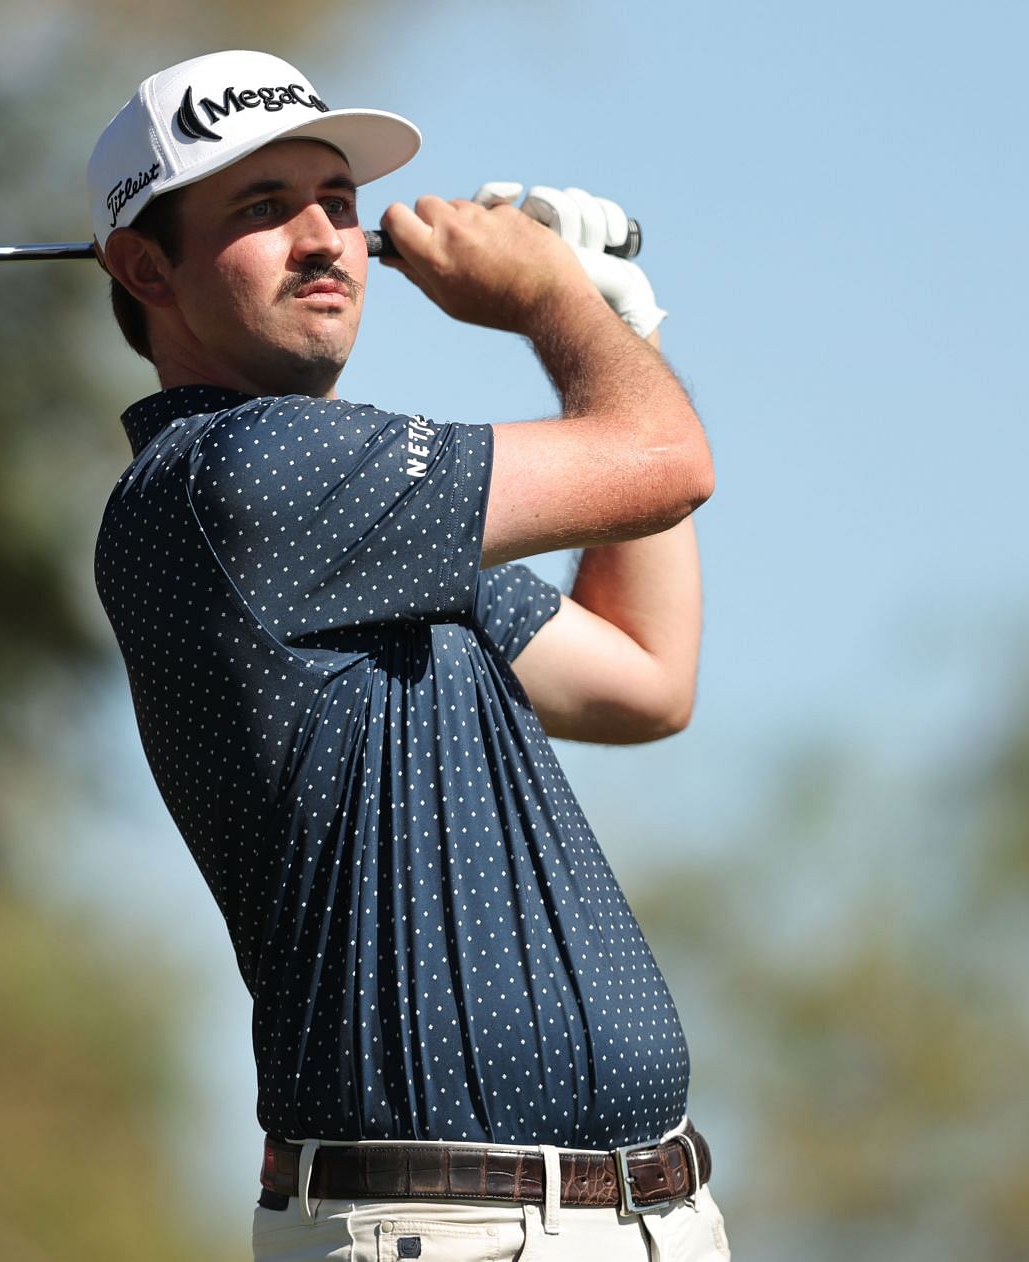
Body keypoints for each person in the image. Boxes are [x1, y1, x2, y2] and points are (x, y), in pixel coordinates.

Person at [88, 50, 725, 1261]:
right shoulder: (242, 478)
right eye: (262, 209)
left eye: (334, 198)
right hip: (448, 1228)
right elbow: (665, 457)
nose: (325, 237)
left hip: (642, 1217)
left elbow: (646, 674)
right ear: (143, 266)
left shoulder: (366, 528)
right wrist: (553, 303)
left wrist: (619, 320)